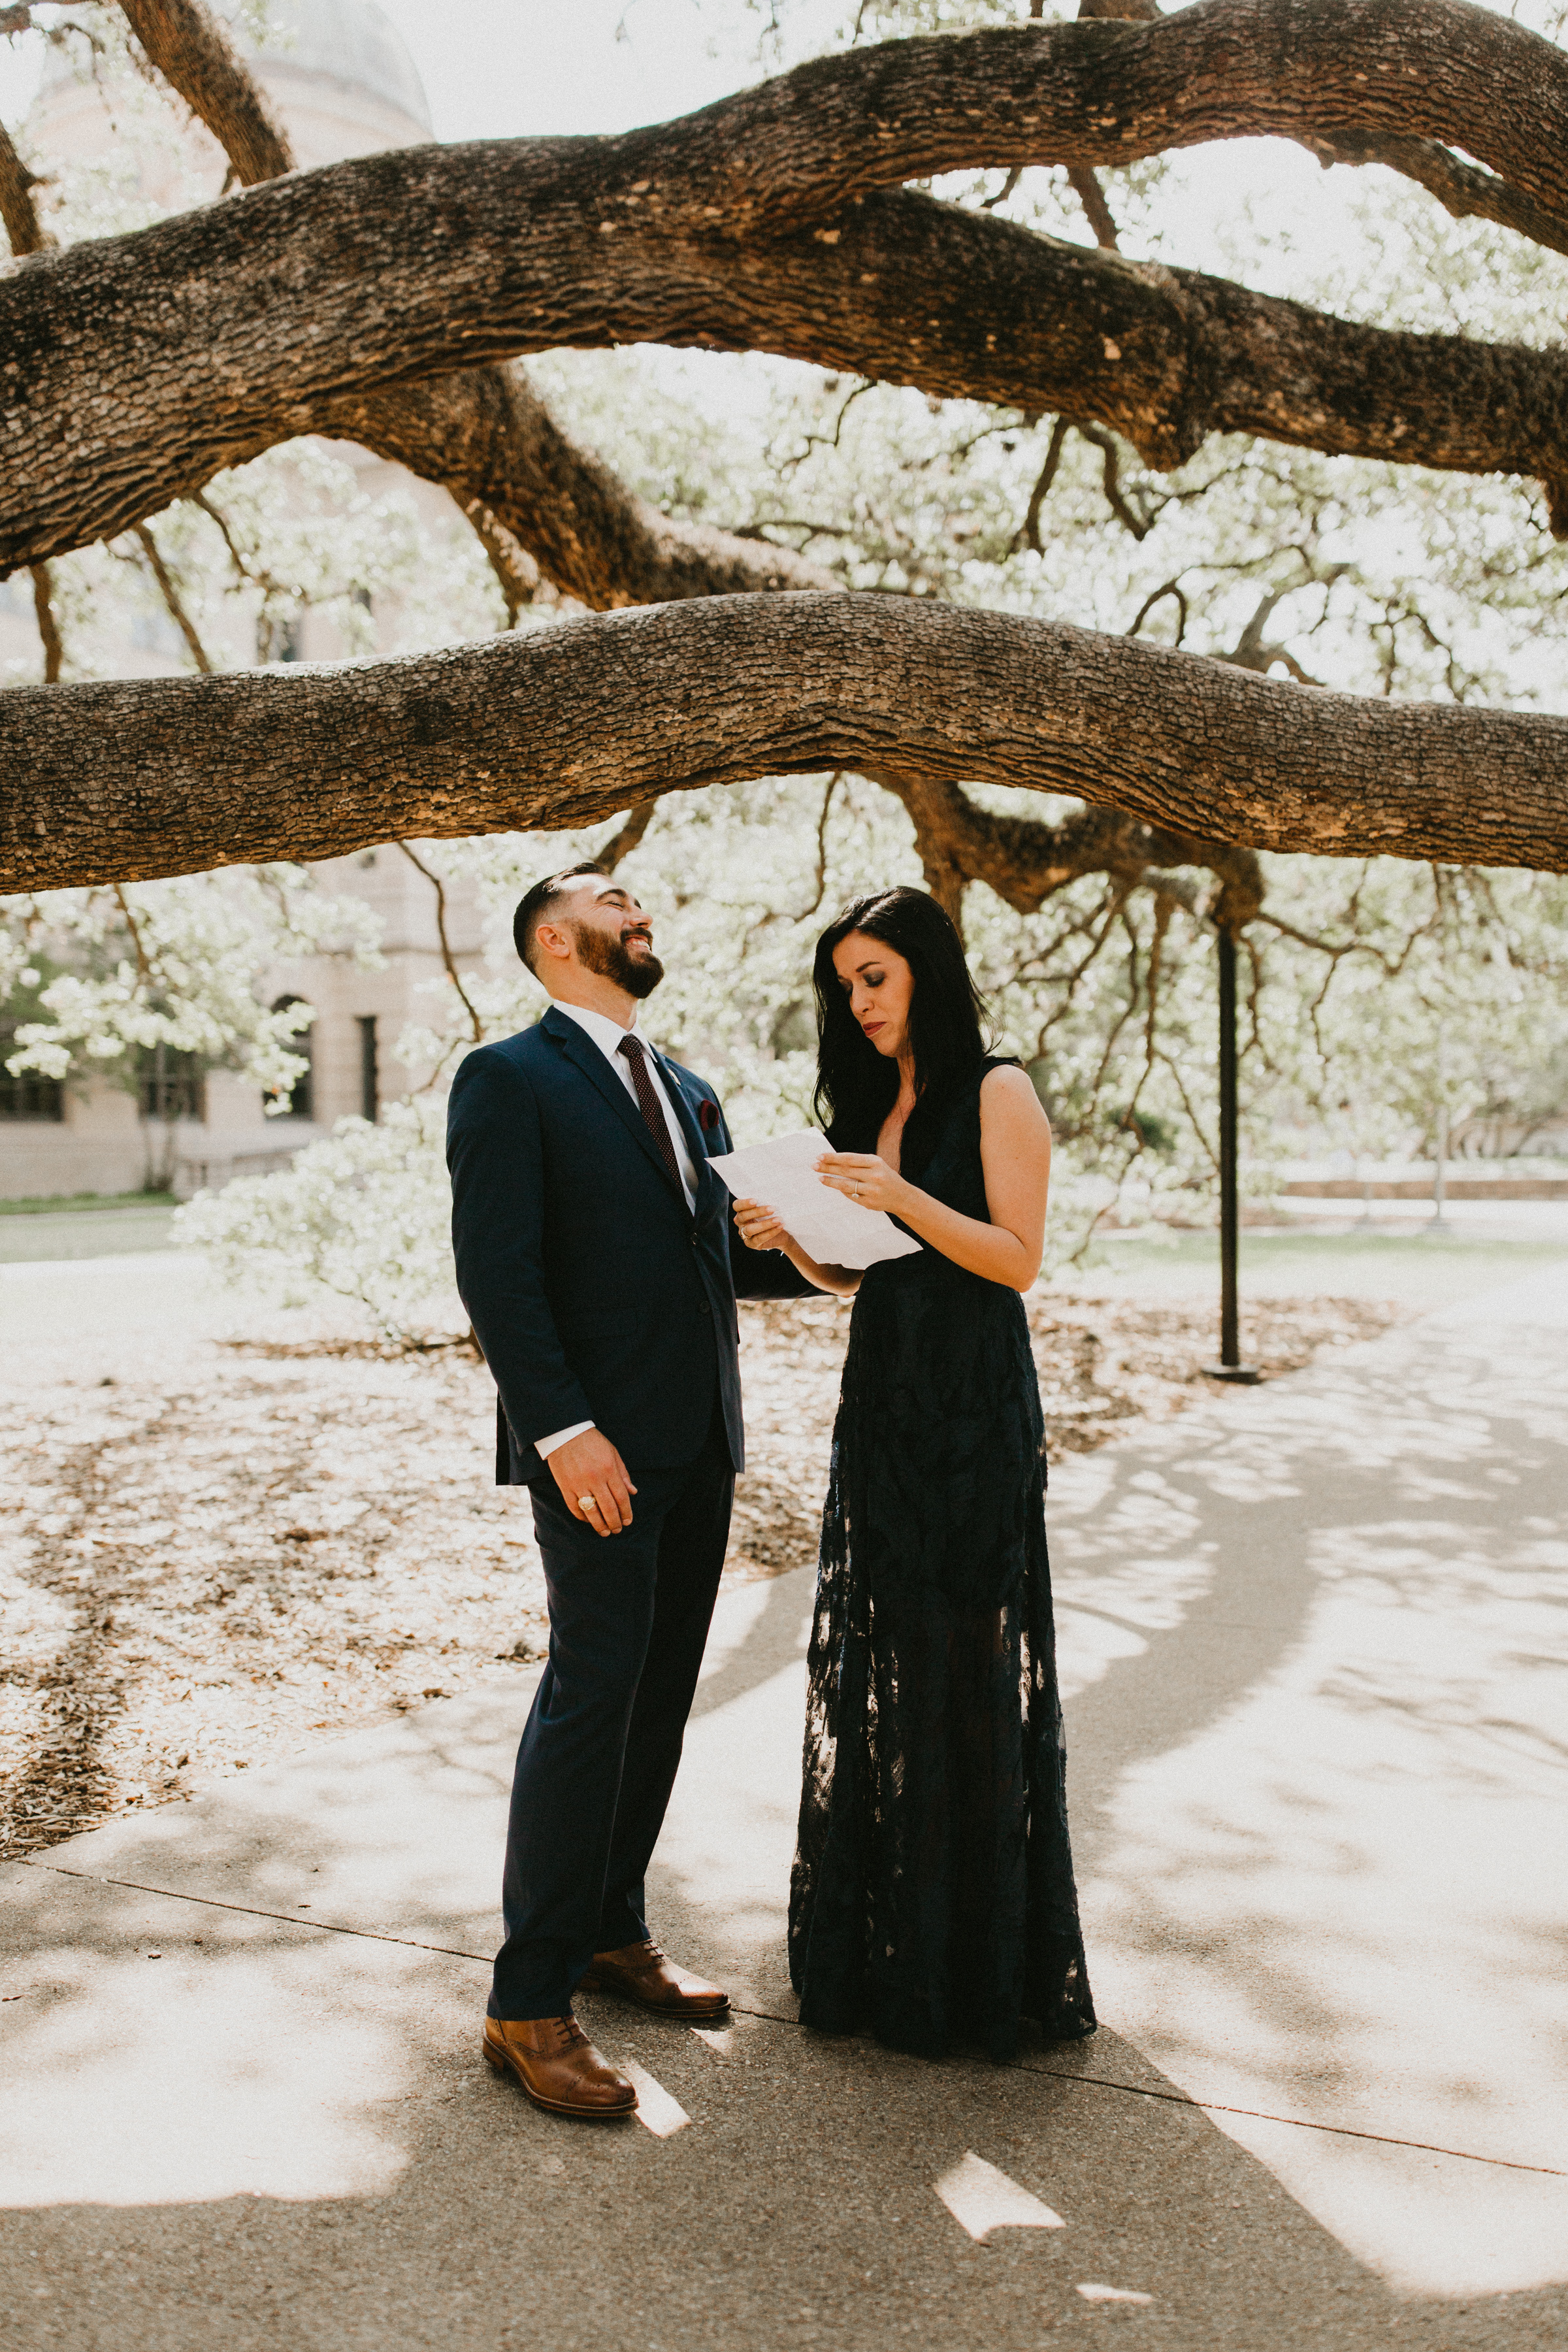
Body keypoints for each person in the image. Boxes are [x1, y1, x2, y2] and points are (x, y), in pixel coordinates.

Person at [448, 862, 803, 2121]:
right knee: (593, 1693)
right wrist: (562, 1432)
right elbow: (499, 1274)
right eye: (610, 898)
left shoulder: (692, 1090)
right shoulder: (509, 1079)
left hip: (700, 1442)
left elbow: (717, 1264)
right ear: (556, 939)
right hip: (592, 1450)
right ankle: (527, 2002)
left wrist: (823, 1253)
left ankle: (610, 1930)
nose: (638, 905)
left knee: (657, 1697)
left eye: (642, 896)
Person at [732, 886, 1096, 2063]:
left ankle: (979, 1962)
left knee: (968, 1664)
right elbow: (871, 1274)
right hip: (883, 1398)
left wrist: (901, 1196)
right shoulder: (868, 1102)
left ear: (927, 971)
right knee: (889, 1654)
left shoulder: (1000, 1088)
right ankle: (893, 1941)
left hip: (974, 1406)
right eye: (845, 983)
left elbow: (1015, 1259)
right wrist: (801, 1242)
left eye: (874, 977)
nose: (859, 1001)